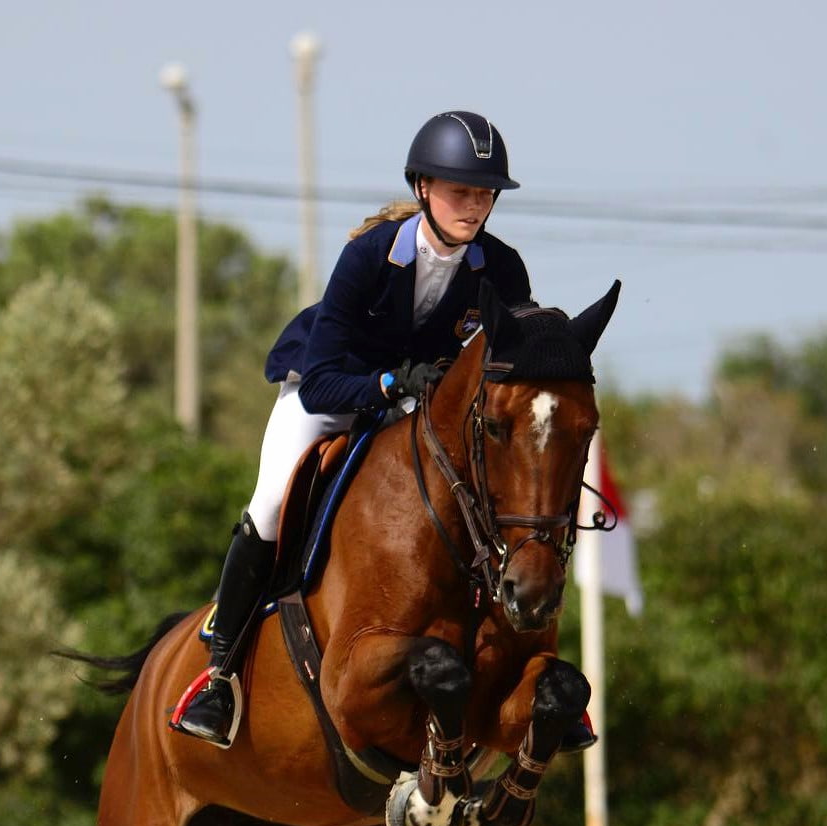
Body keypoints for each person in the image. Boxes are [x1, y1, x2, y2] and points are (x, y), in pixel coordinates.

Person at [171, 110, 589, 752]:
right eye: (460, 191)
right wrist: (391, 387)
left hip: (424, 404)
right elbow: (321, 381)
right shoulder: (369, 257)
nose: (473, 206)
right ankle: (221, 671)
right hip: (335, 387)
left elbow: (513, 359)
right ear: (423, 187)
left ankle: (524, 664)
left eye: (484, 194)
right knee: (274, 501)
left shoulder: (500, 269)